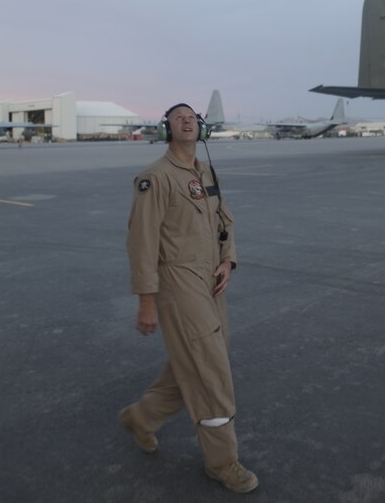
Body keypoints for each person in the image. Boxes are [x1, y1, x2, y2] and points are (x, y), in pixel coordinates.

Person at [119, 103, 258, 494]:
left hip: (210, 280)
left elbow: (223, 220)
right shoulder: (155, 178)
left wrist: (228, 260)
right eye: (179, 117)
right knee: (210, 370)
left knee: (197, 361)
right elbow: (141, 242)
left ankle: (142, 417)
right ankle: (222, 462)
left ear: (202, 127)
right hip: (177, 281)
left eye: (192, 117)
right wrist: (146, 300)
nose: (187, 120)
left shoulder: (206, 172)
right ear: (168, 129)